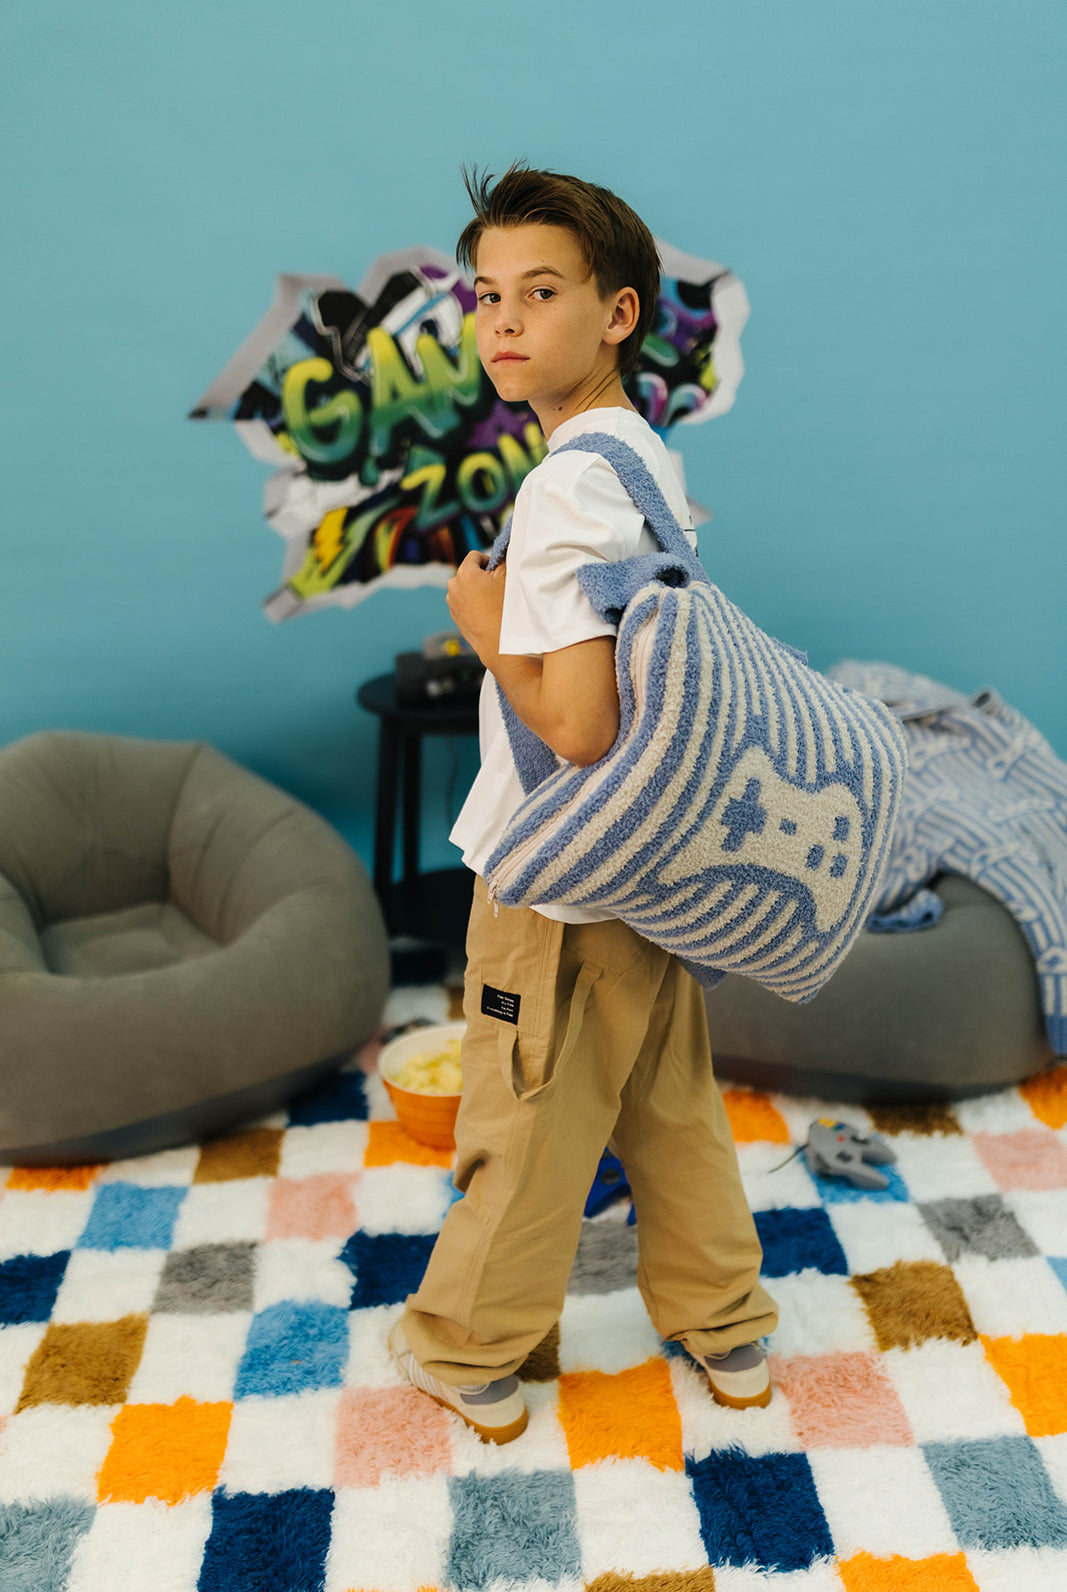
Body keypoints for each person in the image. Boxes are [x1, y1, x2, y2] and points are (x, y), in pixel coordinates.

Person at [389, 164, 778, 1442]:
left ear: (615, 312)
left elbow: (578, 720)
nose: (501, 322)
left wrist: (482, 623)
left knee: (525, 1108)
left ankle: (465, 1349)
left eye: (539, 291)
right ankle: (725, 1328)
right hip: (649, 868)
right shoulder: (636, 455)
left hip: (557, 875)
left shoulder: (563, 483)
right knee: (665, 1105)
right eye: (488, 294)